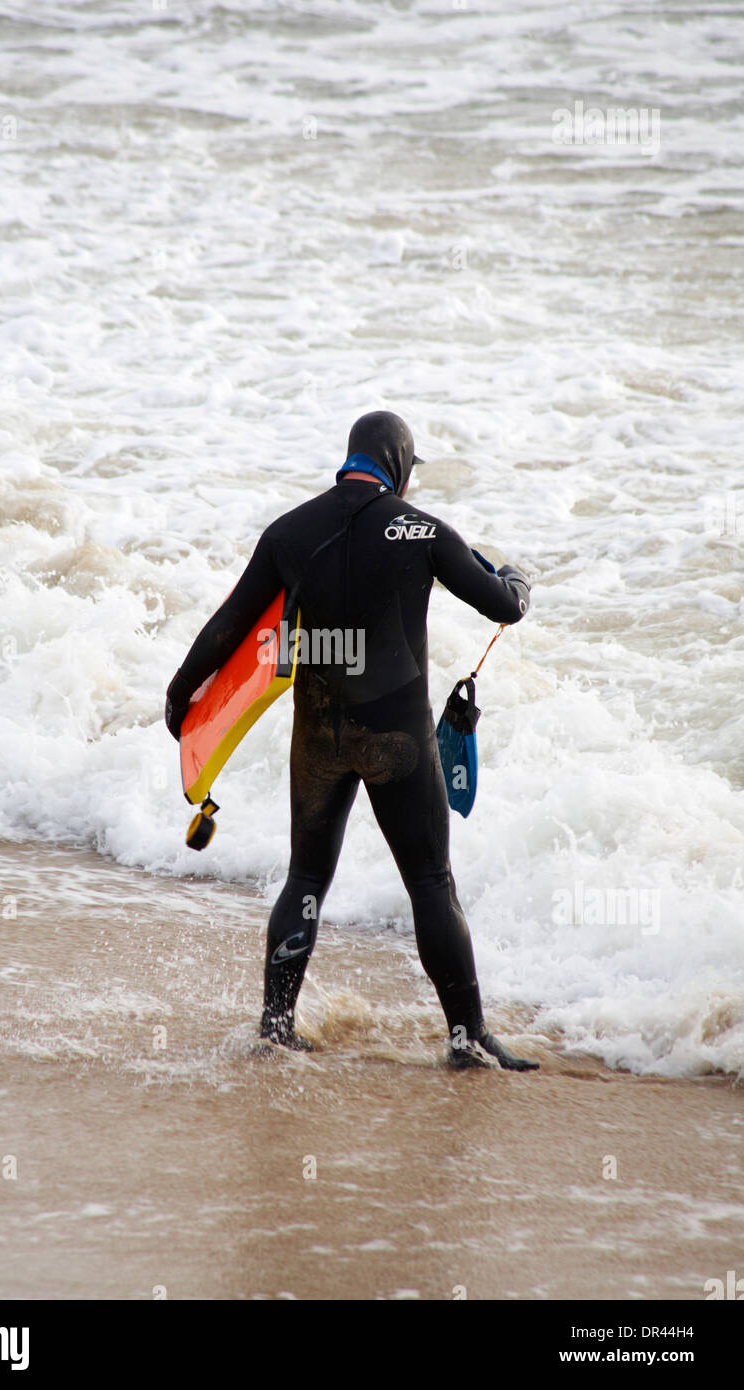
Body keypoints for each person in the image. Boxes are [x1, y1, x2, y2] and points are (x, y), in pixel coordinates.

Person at [165, 411, 538, 1071]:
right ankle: (467, 1036)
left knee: (306, 876)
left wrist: (180, 698)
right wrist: (516, 580)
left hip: (320, 737)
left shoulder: (290, 530)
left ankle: (277, 1024)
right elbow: (502, 605)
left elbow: (228, 626)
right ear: (397, 462)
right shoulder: (420, 529)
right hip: (395, 738)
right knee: (429, 881)